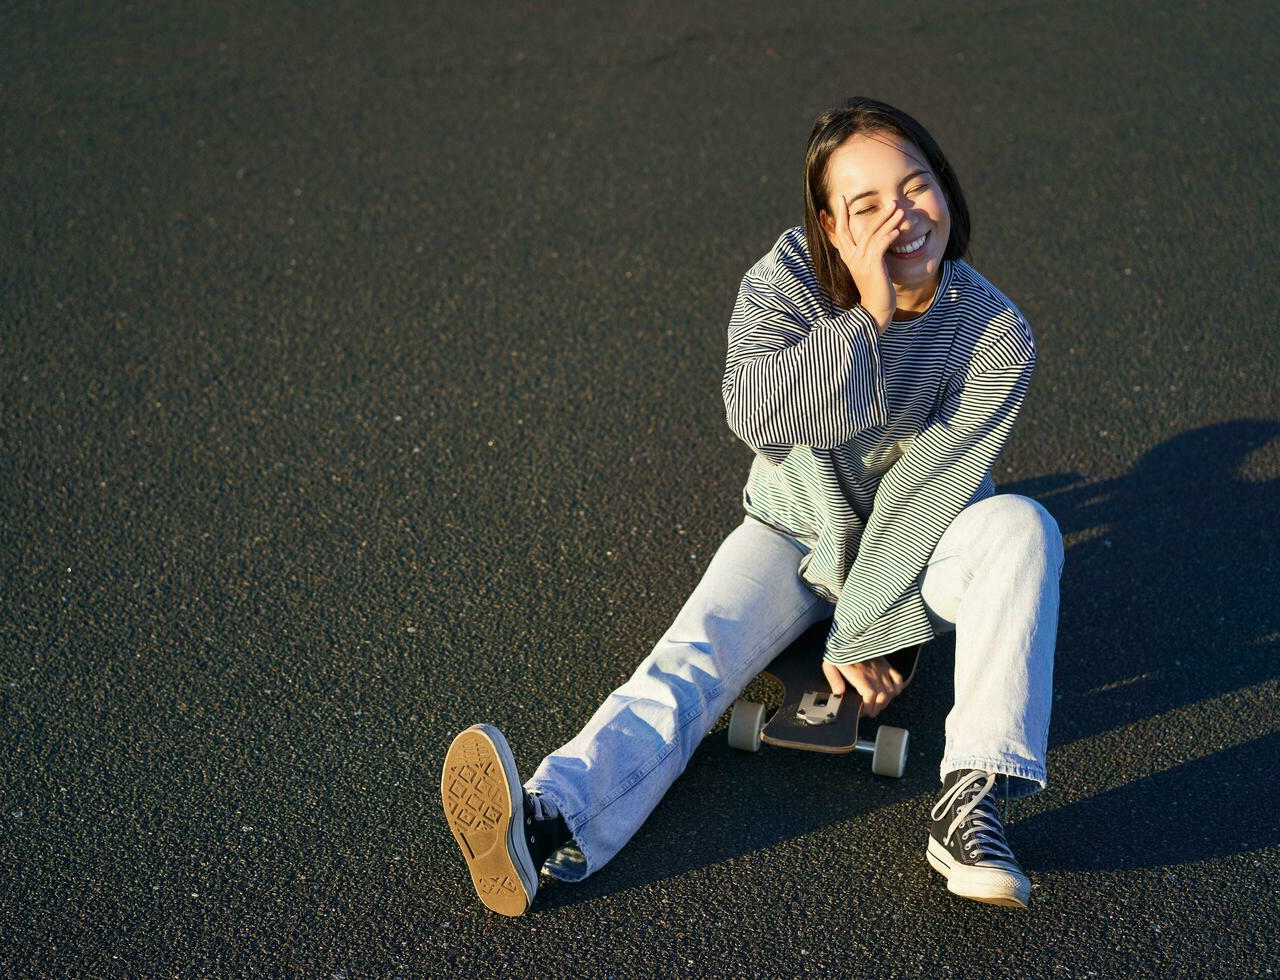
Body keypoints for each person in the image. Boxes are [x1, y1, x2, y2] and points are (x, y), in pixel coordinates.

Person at [440, 95, 1064, 915]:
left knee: (1024, 527)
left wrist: (867, 632)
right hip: (793, 530)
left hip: (921, 551)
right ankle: (550, 819)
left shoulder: (994, 333)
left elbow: (927, 490)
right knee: (689, 661)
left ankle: (972, 804)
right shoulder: (784, 284)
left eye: (915, 187)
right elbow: (757, 416)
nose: (900, 219)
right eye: (866, 205)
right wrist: (869, 317)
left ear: (945, 189)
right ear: (830, 227)